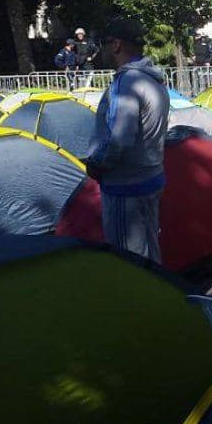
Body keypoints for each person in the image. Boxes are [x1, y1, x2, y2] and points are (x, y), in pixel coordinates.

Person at [84, 18, 169, 262]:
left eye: (104, 43)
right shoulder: (154, 79)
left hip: (125, 186)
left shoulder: (126, 82)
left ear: (117, 45)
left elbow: (118, 138)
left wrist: (96, 165)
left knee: (127, 262)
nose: (102, 50)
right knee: (151, 255)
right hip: (151, 177)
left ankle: (137, 301)